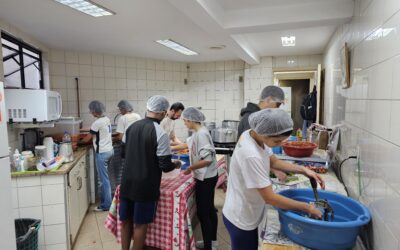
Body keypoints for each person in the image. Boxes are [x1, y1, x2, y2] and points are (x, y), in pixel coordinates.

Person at [222, 108, 325, 250]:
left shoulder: (252, 134)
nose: (280, 144)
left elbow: (274, 162)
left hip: (247, 206)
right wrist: (307, 207)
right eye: (277, 141)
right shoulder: (250, 154)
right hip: (241, 217)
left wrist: (304, 170)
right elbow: (270, 198)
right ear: (262, 133)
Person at [119, 95, 181, 250]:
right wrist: (176, 163)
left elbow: (123, 154)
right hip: (145, 185)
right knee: (140, 225)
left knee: (126, 221)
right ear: (162, 112)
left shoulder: (131, 127)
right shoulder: (160, 133)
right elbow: (165, 166)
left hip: (127, 182)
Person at [178, 107, 218, 250]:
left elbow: (207, 160)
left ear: (190, 120)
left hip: (206, 177)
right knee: (209, 210)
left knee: (203, 212)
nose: (184, 123)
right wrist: (169, 147)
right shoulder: (198, 132)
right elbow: (187, 145)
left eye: (184, 120)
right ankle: (212, 243)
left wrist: (190, 168)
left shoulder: (201, 134)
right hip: (207, 176)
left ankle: (209, 246)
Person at [238, 85, 287, 181]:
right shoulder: (251, 119)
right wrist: (274, 170)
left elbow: (262, 148)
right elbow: (252, 154)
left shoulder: (259, 118)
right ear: (268, 99)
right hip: (247, 174)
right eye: (277, 105)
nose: (277, 109)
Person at [81, 100, 114, 212]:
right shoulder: (106, 119)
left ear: (95, 111)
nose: (91, 113)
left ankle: (106, 205)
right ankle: (106, 202)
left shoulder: (97, 123)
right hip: (110, 151)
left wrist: (77, 143)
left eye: (91, 111)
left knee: (104, 180)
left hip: (102, 154)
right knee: (106, 179)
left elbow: (87, 138)